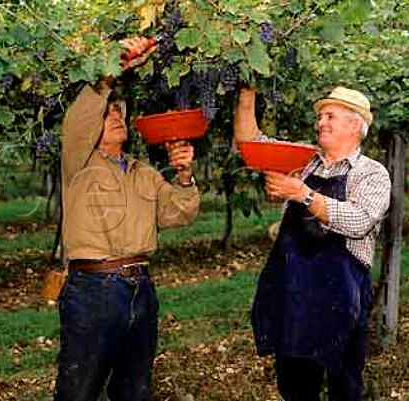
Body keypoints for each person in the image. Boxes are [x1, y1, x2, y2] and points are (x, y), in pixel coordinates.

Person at [55, 37, 200, 401]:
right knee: (79, 390)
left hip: (141, 289)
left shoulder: (143, 171)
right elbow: (80, 117)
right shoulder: (79, 163)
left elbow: (176, 214)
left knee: (134, 388)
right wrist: (113, 68)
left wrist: (184, 176)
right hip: (93, 289)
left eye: (119, 112)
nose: (116, 117)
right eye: (108, 114)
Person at [234, 86, 391, 401]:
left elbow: (359, 221)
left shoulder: (372, 174)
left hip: (342, 299)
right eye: (320, 116)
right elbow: (251, 144)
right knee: (295, 388)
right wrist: (247, 94)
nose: (321, 122)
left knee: (344, 388)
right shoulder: (303, 163)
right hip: (294, 293)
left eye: (330, 116)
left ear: (355, 125)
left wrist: (303, 194)